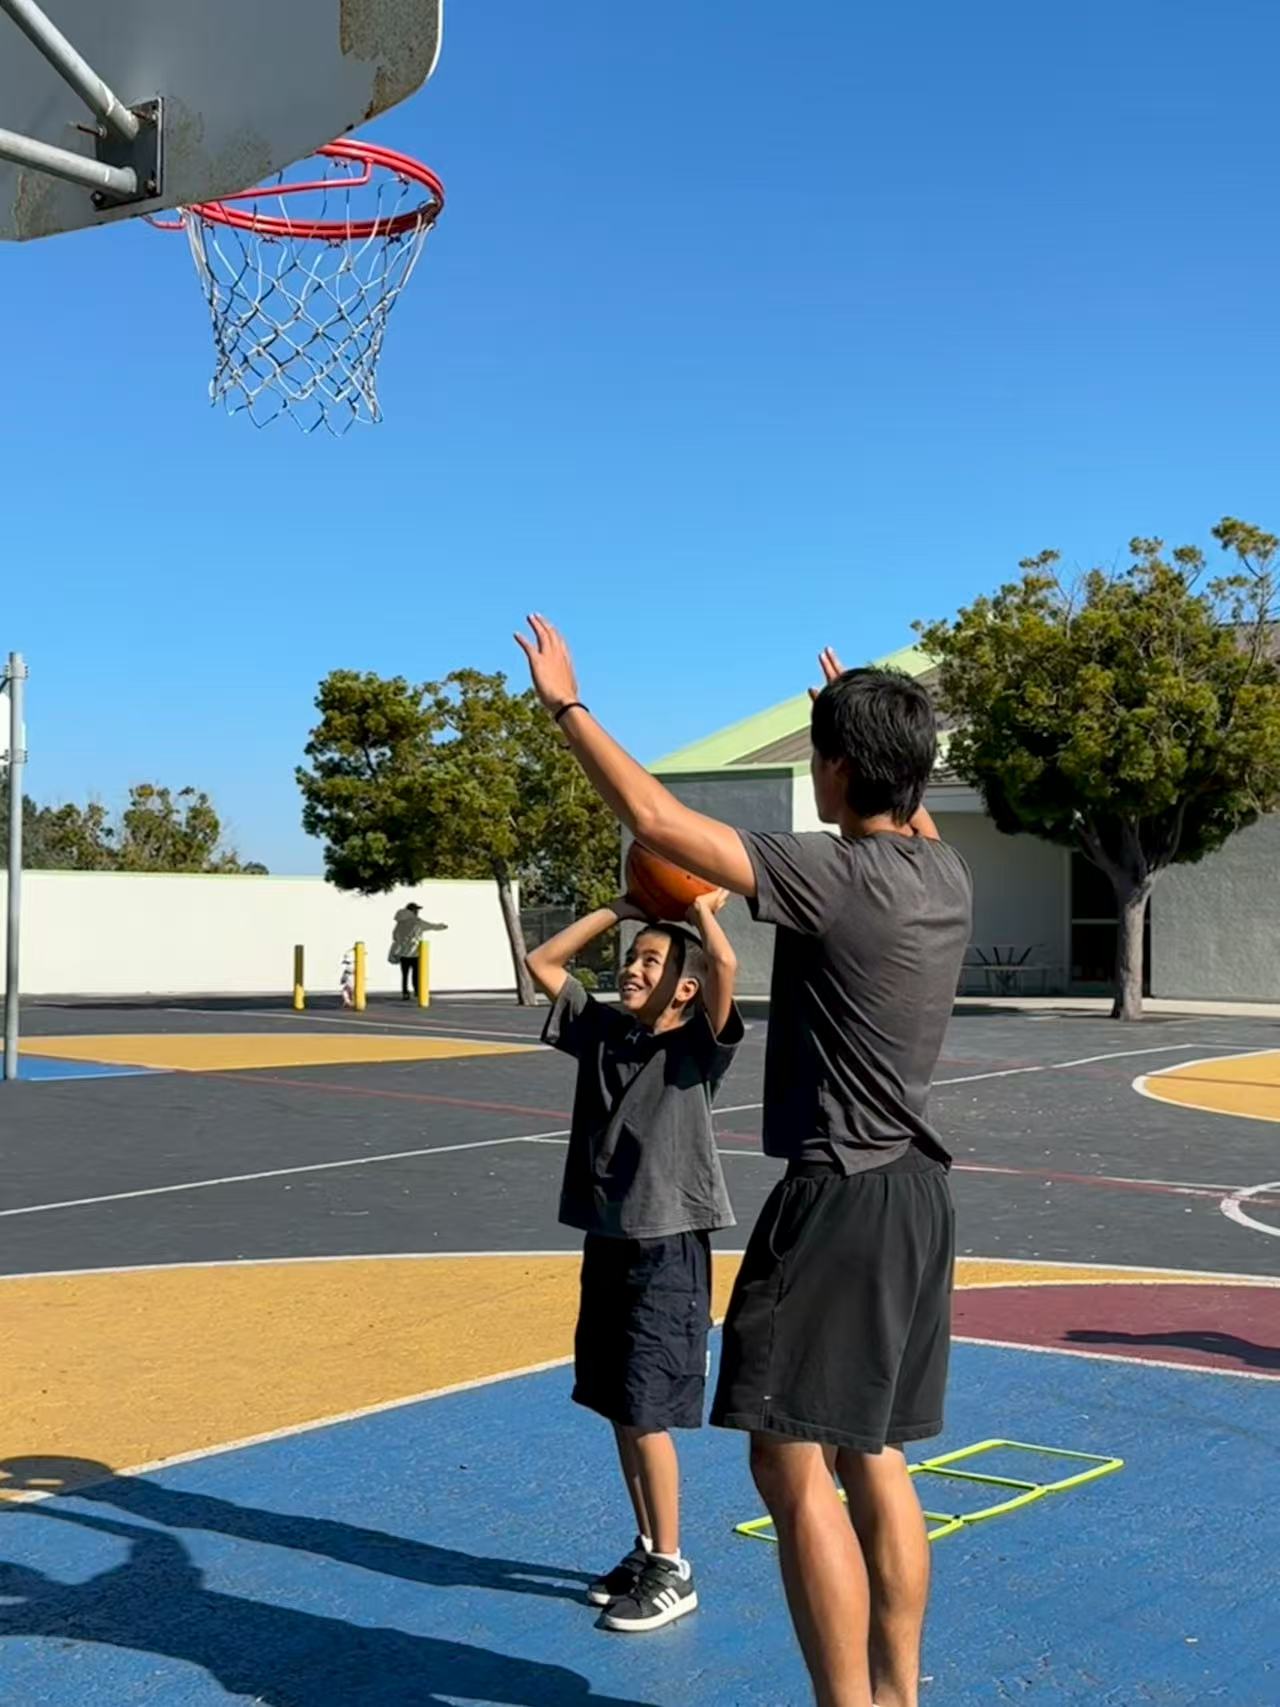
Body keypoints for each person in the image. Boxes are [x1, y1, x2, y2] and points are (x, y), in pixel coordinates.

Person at [515, 617, 972, 1707]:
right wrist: (858, 708)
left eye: (821, 752)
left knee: (784, 1461)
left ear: (840, 768)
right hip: (918, 1198)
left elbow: (657, 819)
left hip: (837, 1203)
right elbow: (894, 791)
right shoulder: (941, 872)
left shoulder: (836, 876)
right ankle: (896, 1696)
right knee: (872, 1456)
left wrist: (566, 706)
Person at [525, 887, 742, 1634]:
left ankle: (675, 1567)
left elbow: (723, 963)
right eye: (630, 957)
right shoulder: (602, 1030)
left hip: (668, 1243)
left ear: (683, 988)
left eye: (651, 961)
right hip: (609, 1238)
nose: (631, 967)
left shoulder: (694, 1046)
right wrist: (622, 908)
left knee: (648, 1410)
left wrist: (699, 908)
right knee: (620, 1405)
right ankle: (648, 1546)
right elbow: (542, 959)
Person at [388, 902, 447, 1001]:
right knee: (416, 974)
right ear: (412, 911)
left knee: (405, 974)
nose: (418, 911)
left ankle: (405, 993)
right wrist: (442, 926)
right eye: (416, 910)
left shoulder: (400, 923)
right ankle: (417, 992)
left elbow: (395, 935)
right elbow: (430, 926)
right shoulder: (416, 921)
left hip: (403, 952)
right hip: (415, 952)